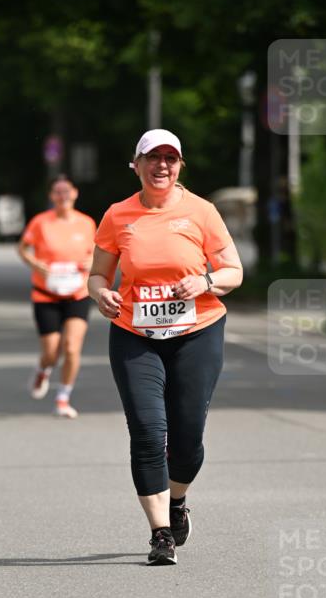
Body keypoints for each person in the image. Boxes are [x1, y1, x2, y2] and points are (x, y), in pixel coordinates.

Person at [88, 129, 243, 565]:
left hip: (198, 332)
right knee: (147, 432)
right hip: (135, 334)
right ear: (136, 165)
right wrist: (100, 294)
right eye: (152, 158)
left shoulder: (201, 211)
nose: (161, 166)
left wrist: (205, 281)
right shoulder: (118, 215)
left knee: (187, 438)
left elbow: (234, 271)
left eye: (170, 159)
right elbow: (97, 275)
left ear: (180, 166)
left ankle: (177, 501)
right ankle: (160, 534)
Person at [18, 175, 96, 418]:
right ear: (52, 196)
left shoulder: (86, 223)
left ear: (75, 193)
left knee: (71, 348)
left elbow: (97, 252)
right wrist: (35, 264)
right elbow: (22, 248)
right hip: (46, 294)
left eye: (66, 191)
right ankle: (43, 368)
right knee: (52, 352)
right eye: (58, 192)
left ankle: (63, 398)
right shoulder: (41, 222)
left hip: (77, 293)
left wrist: (92, 261)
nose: (63, 196)